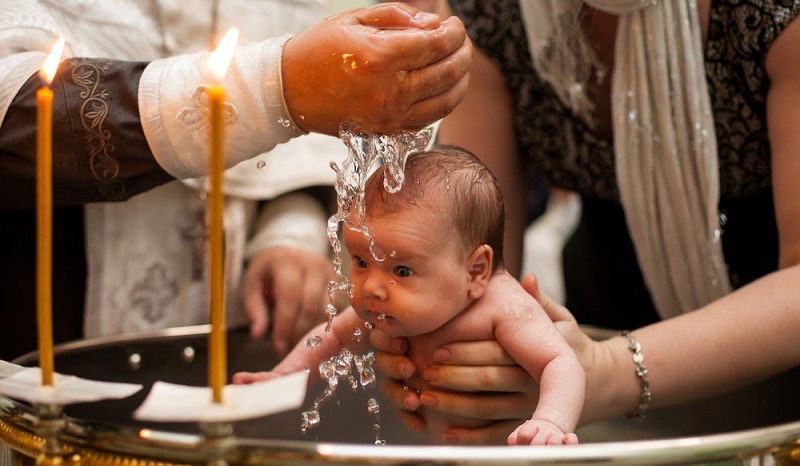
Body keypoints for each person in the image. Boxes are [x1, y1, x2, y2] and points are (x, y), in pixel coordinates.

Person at [371, 0, 800, 444]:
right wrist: (431, 339)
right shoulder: (491, 12)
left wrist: (610, 372)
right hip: (603, 310)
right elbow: (466, 253)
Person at [0, 0, 472, 361]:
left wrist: (292, 224)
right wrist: (277, 88)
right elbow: (19, 118)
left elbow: (321, 124)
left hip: (244, 332)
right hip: (43, 317)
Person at [234, 147, 585, 446]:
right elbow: (331, 338)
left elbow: (561, 362)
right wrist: (284, 377)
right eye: (360, 260)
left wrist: (551, 423)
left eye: (401, 271)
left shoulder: (503, 306)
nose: (371, 286)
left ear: (476, 271)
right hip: (436, 450)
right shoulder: (382, 304)